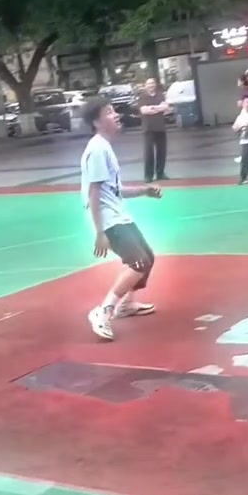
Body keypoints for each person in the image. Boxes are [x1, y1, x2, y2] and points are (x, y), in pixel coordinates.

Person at [81, 97, 162, 340]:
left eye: (114, 110)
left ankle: (127, 304)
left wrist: (144, 191)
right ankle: (104, 311)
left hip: (117, 214)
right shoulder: (97, 150)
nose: (116, 115)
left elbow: (114, 190)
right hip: (107, 218)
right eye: (109, 112)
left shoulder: (105, 147)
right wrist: (100, 232)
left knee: (147, 257)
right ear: (96, 122)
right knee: (138, 262)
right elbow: (94, 192)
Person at [138, 76, 171, 183]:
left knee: (162, 151)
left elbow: (165, 107)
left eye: (152, 83)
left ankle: (160, 173)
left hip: (160, 127)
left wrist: (152, 108)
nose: (151, 85)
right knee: (149, 153)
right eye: (149, 83)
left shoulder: (160, 95)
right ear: (145, 86)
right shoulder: (142, 97)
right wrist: (157, 108)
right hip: (148, 128)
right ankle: (148, 176)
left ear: (155, 85)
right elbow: (144, 110)